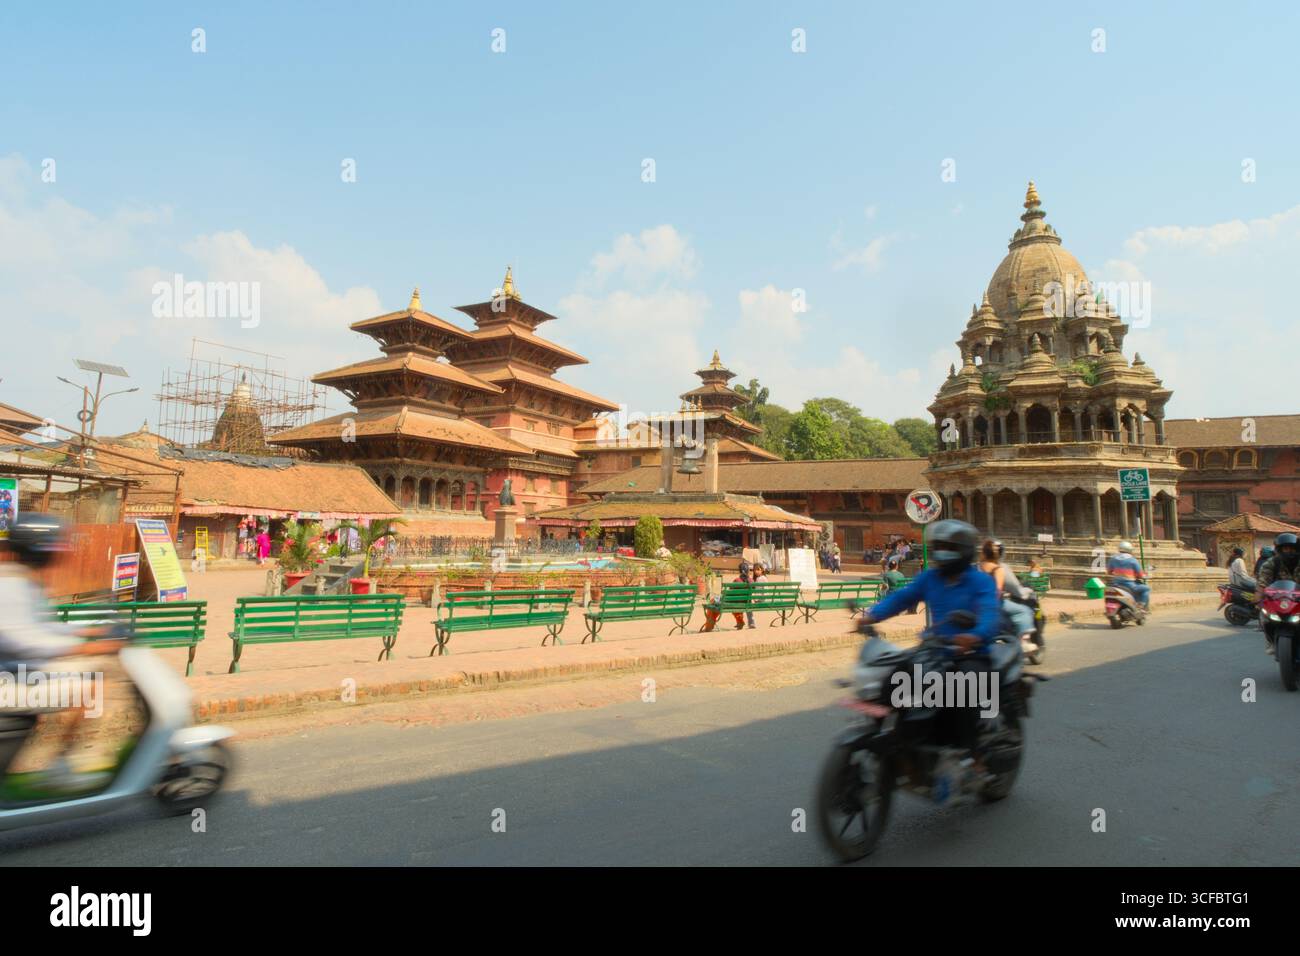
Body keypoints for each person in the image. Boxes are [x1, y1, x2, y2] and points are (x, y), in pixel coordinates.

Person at [861, 520, 1002, 768]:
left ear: (965, 550)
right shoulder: (931, 577)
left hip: (972, 653)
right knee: (895, 676)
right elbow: (902, 598)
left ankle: (974, 753)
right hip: (936, 649)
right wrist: (872, 615)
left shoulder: (981, 582)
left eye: (950, 546)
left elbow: (991, 614)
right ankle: (880, 734)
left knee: (966, 692)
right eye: (940, 546)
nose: (943, 551)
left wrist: (975, 635)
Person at [0, 513, 126, 790]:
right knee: (88, 690)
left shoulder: (21, 579)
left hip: (18, 672)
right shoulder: (11, 585)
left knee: (86, 679)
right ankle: (59, 767)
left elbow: (42, 629)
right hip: (10, 680)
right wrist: (85, 646)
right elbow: (24, 640)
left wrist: (87, 632)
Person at [982, 540, 1035, 655]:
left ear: (983, 553)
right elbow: (1009, 588)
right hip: (993, 605)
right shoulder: (999, 568)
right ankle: (1023, 642)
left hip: (973, 604)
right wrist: (1026, 592)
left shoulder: (976, 567)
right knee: (1024, 611)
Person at [1256, 533, 1299, 657]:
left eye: (1292, 548)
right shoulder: (1272, 563)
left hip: (1299, 601)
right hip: (1279, 600)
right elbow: (1263, 580)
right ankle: (1270, 641)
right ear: (1280, 550)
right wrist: (1258, 595)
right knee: (1263, 615)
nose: (1289, 551)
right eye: (1286, 548)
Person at [1106, 541, 1150, 609]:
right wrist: (1143, 576)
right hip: (1130, 586)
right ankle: (1141, 605)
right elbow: (1140, 575)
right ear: (1130, 549)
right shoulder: (1133, 560)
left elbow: (1109, 572)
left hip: (1116, 584)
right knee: (1146, 589)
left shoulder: (1113, 559)